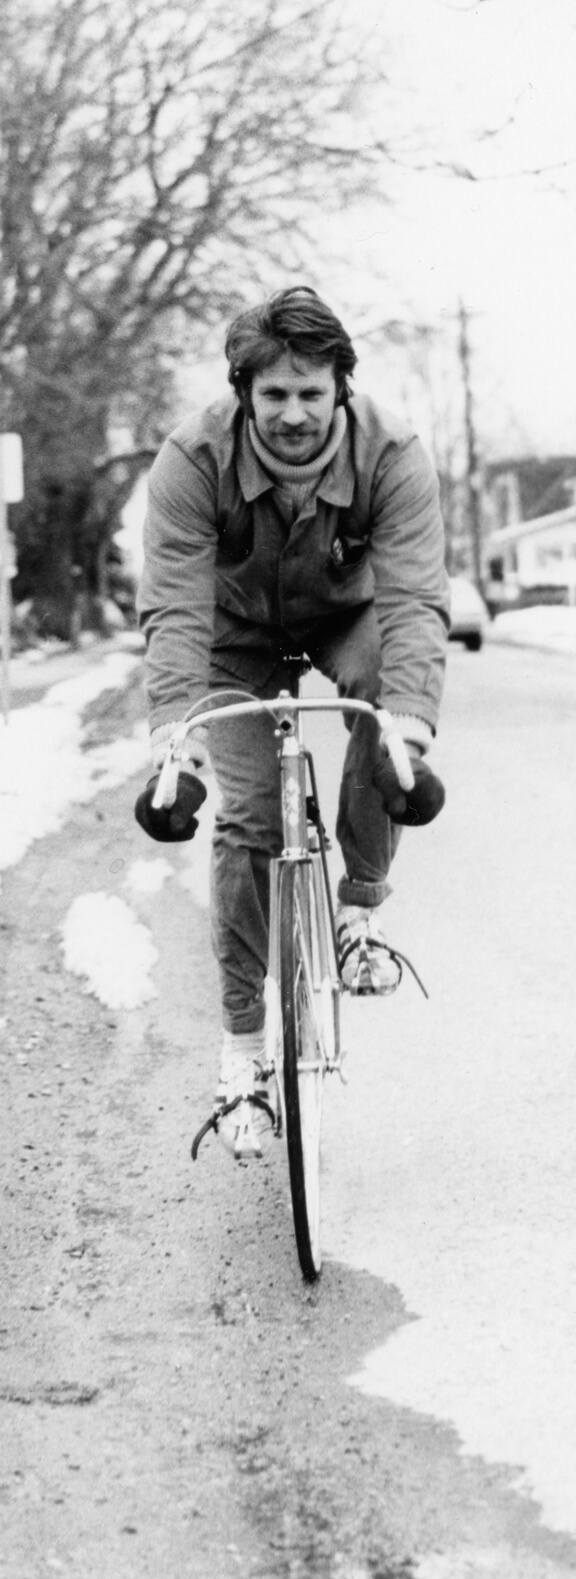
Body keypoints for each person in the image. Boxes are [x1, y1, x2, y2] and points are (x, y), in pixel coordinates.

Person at [135, 286, 449, 1154]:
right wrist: (177, 738)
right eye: (274, 395)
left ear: (341, 388)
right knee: (244, 818)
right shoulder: (192, 460)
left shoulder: (393, 455)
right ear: (244, 394)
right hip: (230, 640)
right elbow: (173, 607)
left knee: (384, 708)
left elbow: (417, 599)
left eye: (312, 393)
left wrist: (411, 725)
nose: (294, 414)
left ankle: (358, 917)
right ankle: (242, 1061)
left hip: (346, 619)